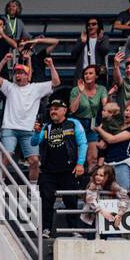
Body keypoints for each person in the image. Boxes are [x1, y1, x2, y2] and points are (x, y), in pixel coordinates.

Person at [0, 53, 60, 180]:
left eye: (21, 73)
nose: (17, 75)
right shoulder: (9, 87)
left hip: (29, 130)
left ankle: (33, 189)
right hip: (10, 128)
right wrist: (4, 60)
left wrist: (51, 65)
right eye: (16, 73)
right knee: (6, 156)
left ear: (28, 75)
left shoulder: (36, 88)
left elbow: (56, 82)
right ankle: (0, 185)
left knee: (34, 161)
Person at [30, 99, 88, 236]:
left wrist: (80, 163)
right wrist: (37, 132)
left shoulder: (74, 123)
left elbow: (83, 143)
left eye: (56, 108)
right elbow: (33, 142)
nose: (53, 111)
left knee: (71, 200)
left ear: (65, 110)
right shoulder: (46, 126)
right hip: (48, 171)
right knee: (46, 199)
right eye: (51, 109)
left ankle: (74, 229)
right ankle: (46, 229)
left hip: (69, 169)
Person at [69, 64, 107, 171]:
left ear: (96, 76)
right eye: (85, 74)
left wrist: (104, 124)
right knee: (77, 157)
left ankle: (91, 184)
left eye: (91, 73)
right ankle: (76, 183)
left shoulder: (101, 89)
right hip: (78, 124)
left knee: (93, 157)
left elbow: (106, 106)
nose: (87, 76)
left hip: (92, 124)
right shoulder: (76, 90)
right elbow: (72, 109)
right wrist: (81, 93)